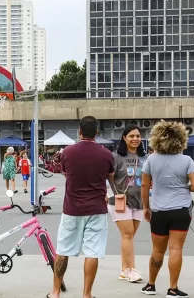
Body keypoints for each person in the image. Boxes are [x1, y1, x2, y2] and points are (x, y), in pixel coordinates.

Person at [46, 116, 114, 298]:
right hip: (97, 209)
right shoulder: (107, 154)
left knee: (62, 251)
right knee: (93, 252)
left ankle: (55, 292)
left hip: (72, 209)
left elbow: (64, 173)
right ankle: (87, 294)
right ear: (97, 133)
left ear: (80, 131)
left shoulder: (67, 152)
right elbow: (111, 179)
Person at [141, 120, 194, 297]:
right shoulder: (186, 160)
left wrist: (146, 207)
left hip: (159, 211)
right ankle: (172, 288)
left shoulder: (151, 159)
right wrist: (185, 188)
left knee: (157, 250)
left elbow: (145, 186)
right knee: (176, 249)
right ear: (181, 139)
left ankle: (151, 285)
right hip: (181, 210)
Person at [107, 125, 147, 283]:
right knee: (127, 234)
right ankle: (131, 270)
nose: (135, 139)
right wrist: (110, 194)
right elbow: (108, 178)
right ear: (124, 138)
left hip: (139, 200)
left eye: (138, 136)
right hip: (120, 200)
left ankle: (124, 269)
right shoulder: (116, 157)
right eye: (131, 136)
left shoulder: (145, 157)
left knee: (129, 236)